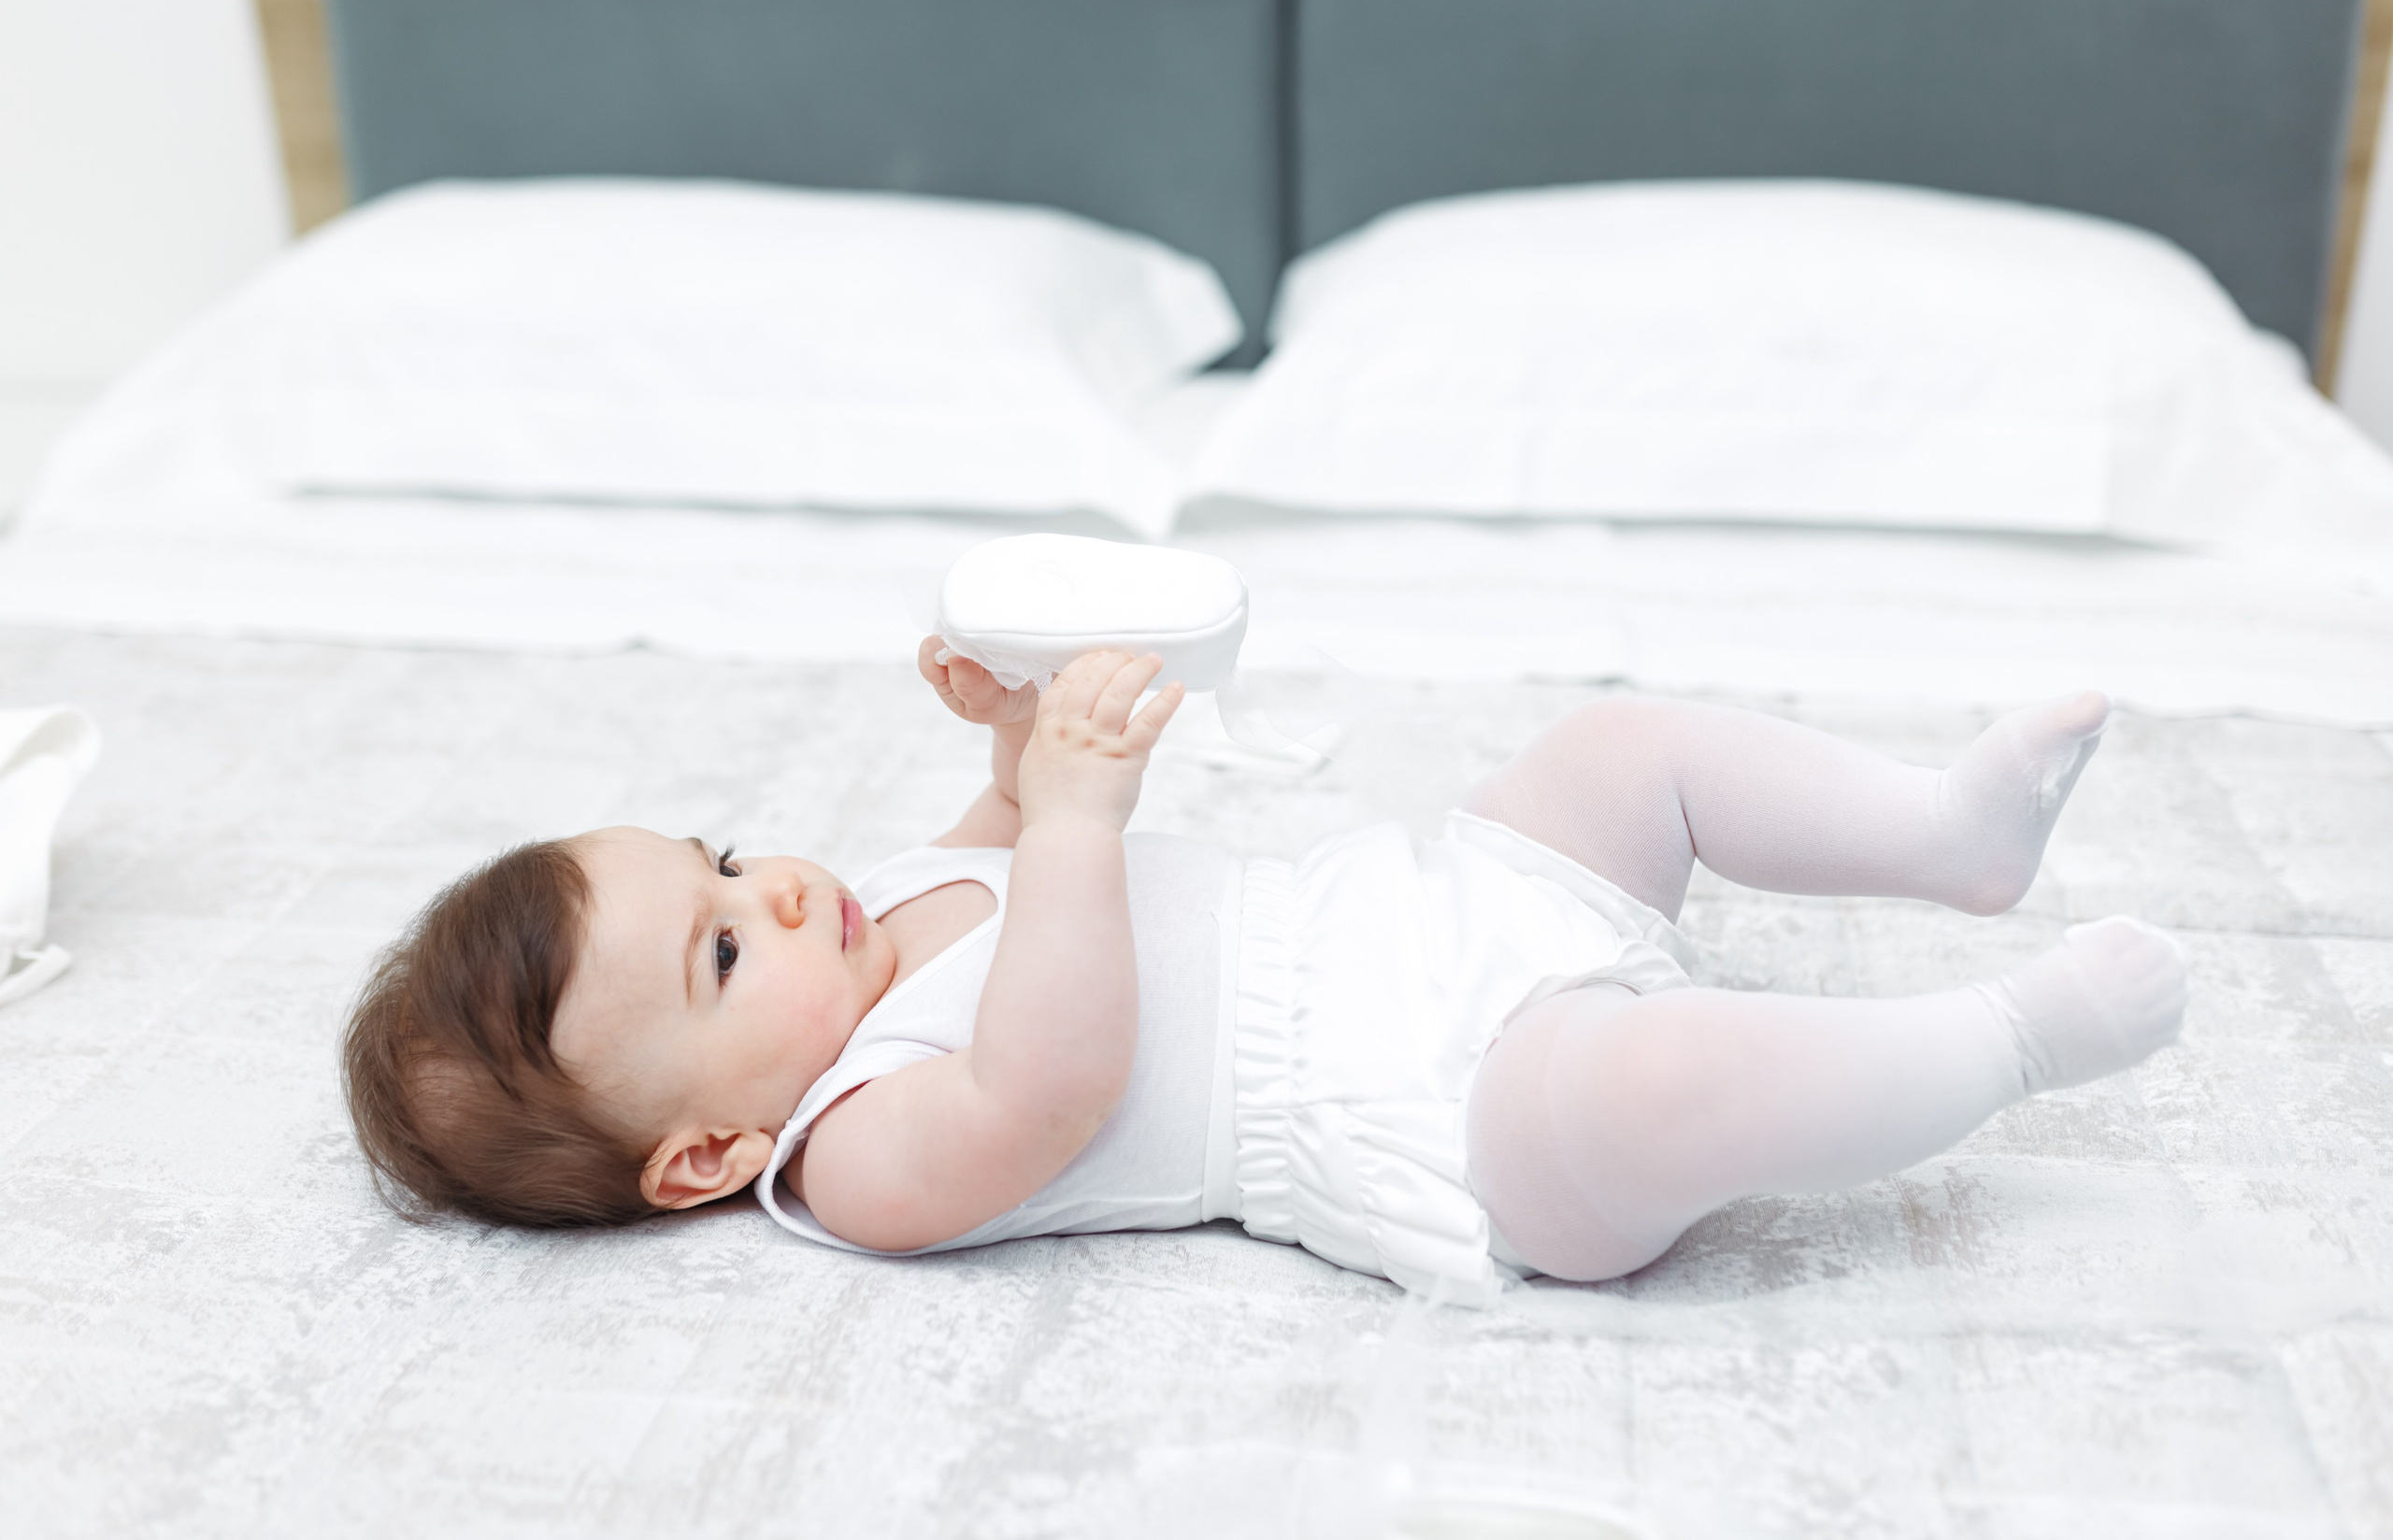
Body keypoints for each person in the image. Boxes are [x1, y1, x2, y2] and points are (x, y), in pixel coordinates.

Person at [343, 642, 2185, 1302]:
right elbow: (1047, 1080)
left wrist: (1005, 740)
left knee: (1620, 746)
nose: (782, 887)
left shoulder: (887, 906)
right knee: (1657, 1081)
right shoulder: (851, 1157)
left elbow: (994, 832)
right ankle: (2004, 1041)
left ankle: (1944, 832)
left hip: (1415, 910)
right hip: (1440, 1114)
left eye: (726, 854)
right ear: (700, 1153)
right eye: (724, 941)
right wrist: (1071, 821)